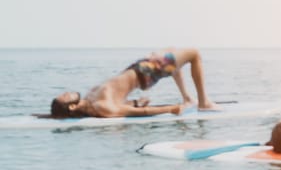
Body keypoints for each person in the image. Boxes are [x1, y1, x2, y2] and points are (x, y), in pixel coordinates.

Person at [49, 48, 218, 118]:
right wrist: (171, 109)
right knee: (194, 54)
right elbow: (134, 112)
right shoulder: (100, 106)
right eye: (65, 96)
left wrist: (136, 102)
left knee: (171, 50)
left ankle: (188, 98)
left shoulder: (89, 98)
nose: (67, 92)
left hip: (139, 68)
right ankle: (203, 102)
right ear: (71, 107)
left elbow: (119, 101)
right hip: (146, 73)